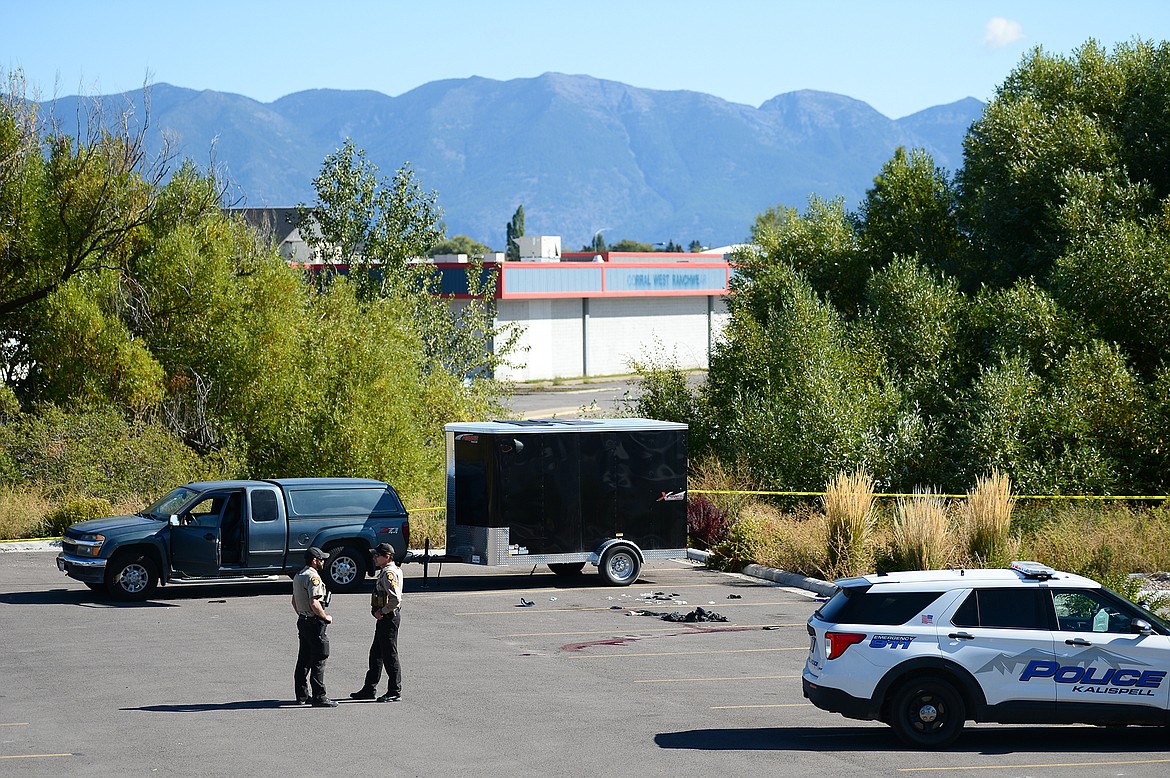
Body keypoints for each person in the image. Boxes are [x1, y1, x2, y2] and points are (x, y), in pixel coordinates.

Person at [351, 542, 402, 703]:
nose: (374, 558)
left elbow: (395, 599)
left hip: (388, 618)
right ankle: (369, 688)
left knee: (389, 655)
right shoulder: (387, 571)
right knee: (376, 655)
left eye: (377, 555)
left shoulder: (389, 574)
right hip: (384, 618)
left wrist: (382, 611)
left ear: (387, 557)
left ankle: (394, 691)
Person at [292, 547, 336, 707]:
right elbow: (314, 602)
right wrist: (325, 617)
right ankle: (319, 696)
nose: (323, 561)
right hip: (313, 622)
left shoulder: (298, 575)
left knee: (304, 659)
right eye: (321, 559)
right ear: (314, 561)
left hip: (303, 621)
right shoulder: (313, 577)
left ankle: (302, 695)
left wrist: (302, 614)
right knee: (319, 658)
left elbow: (294, 601)